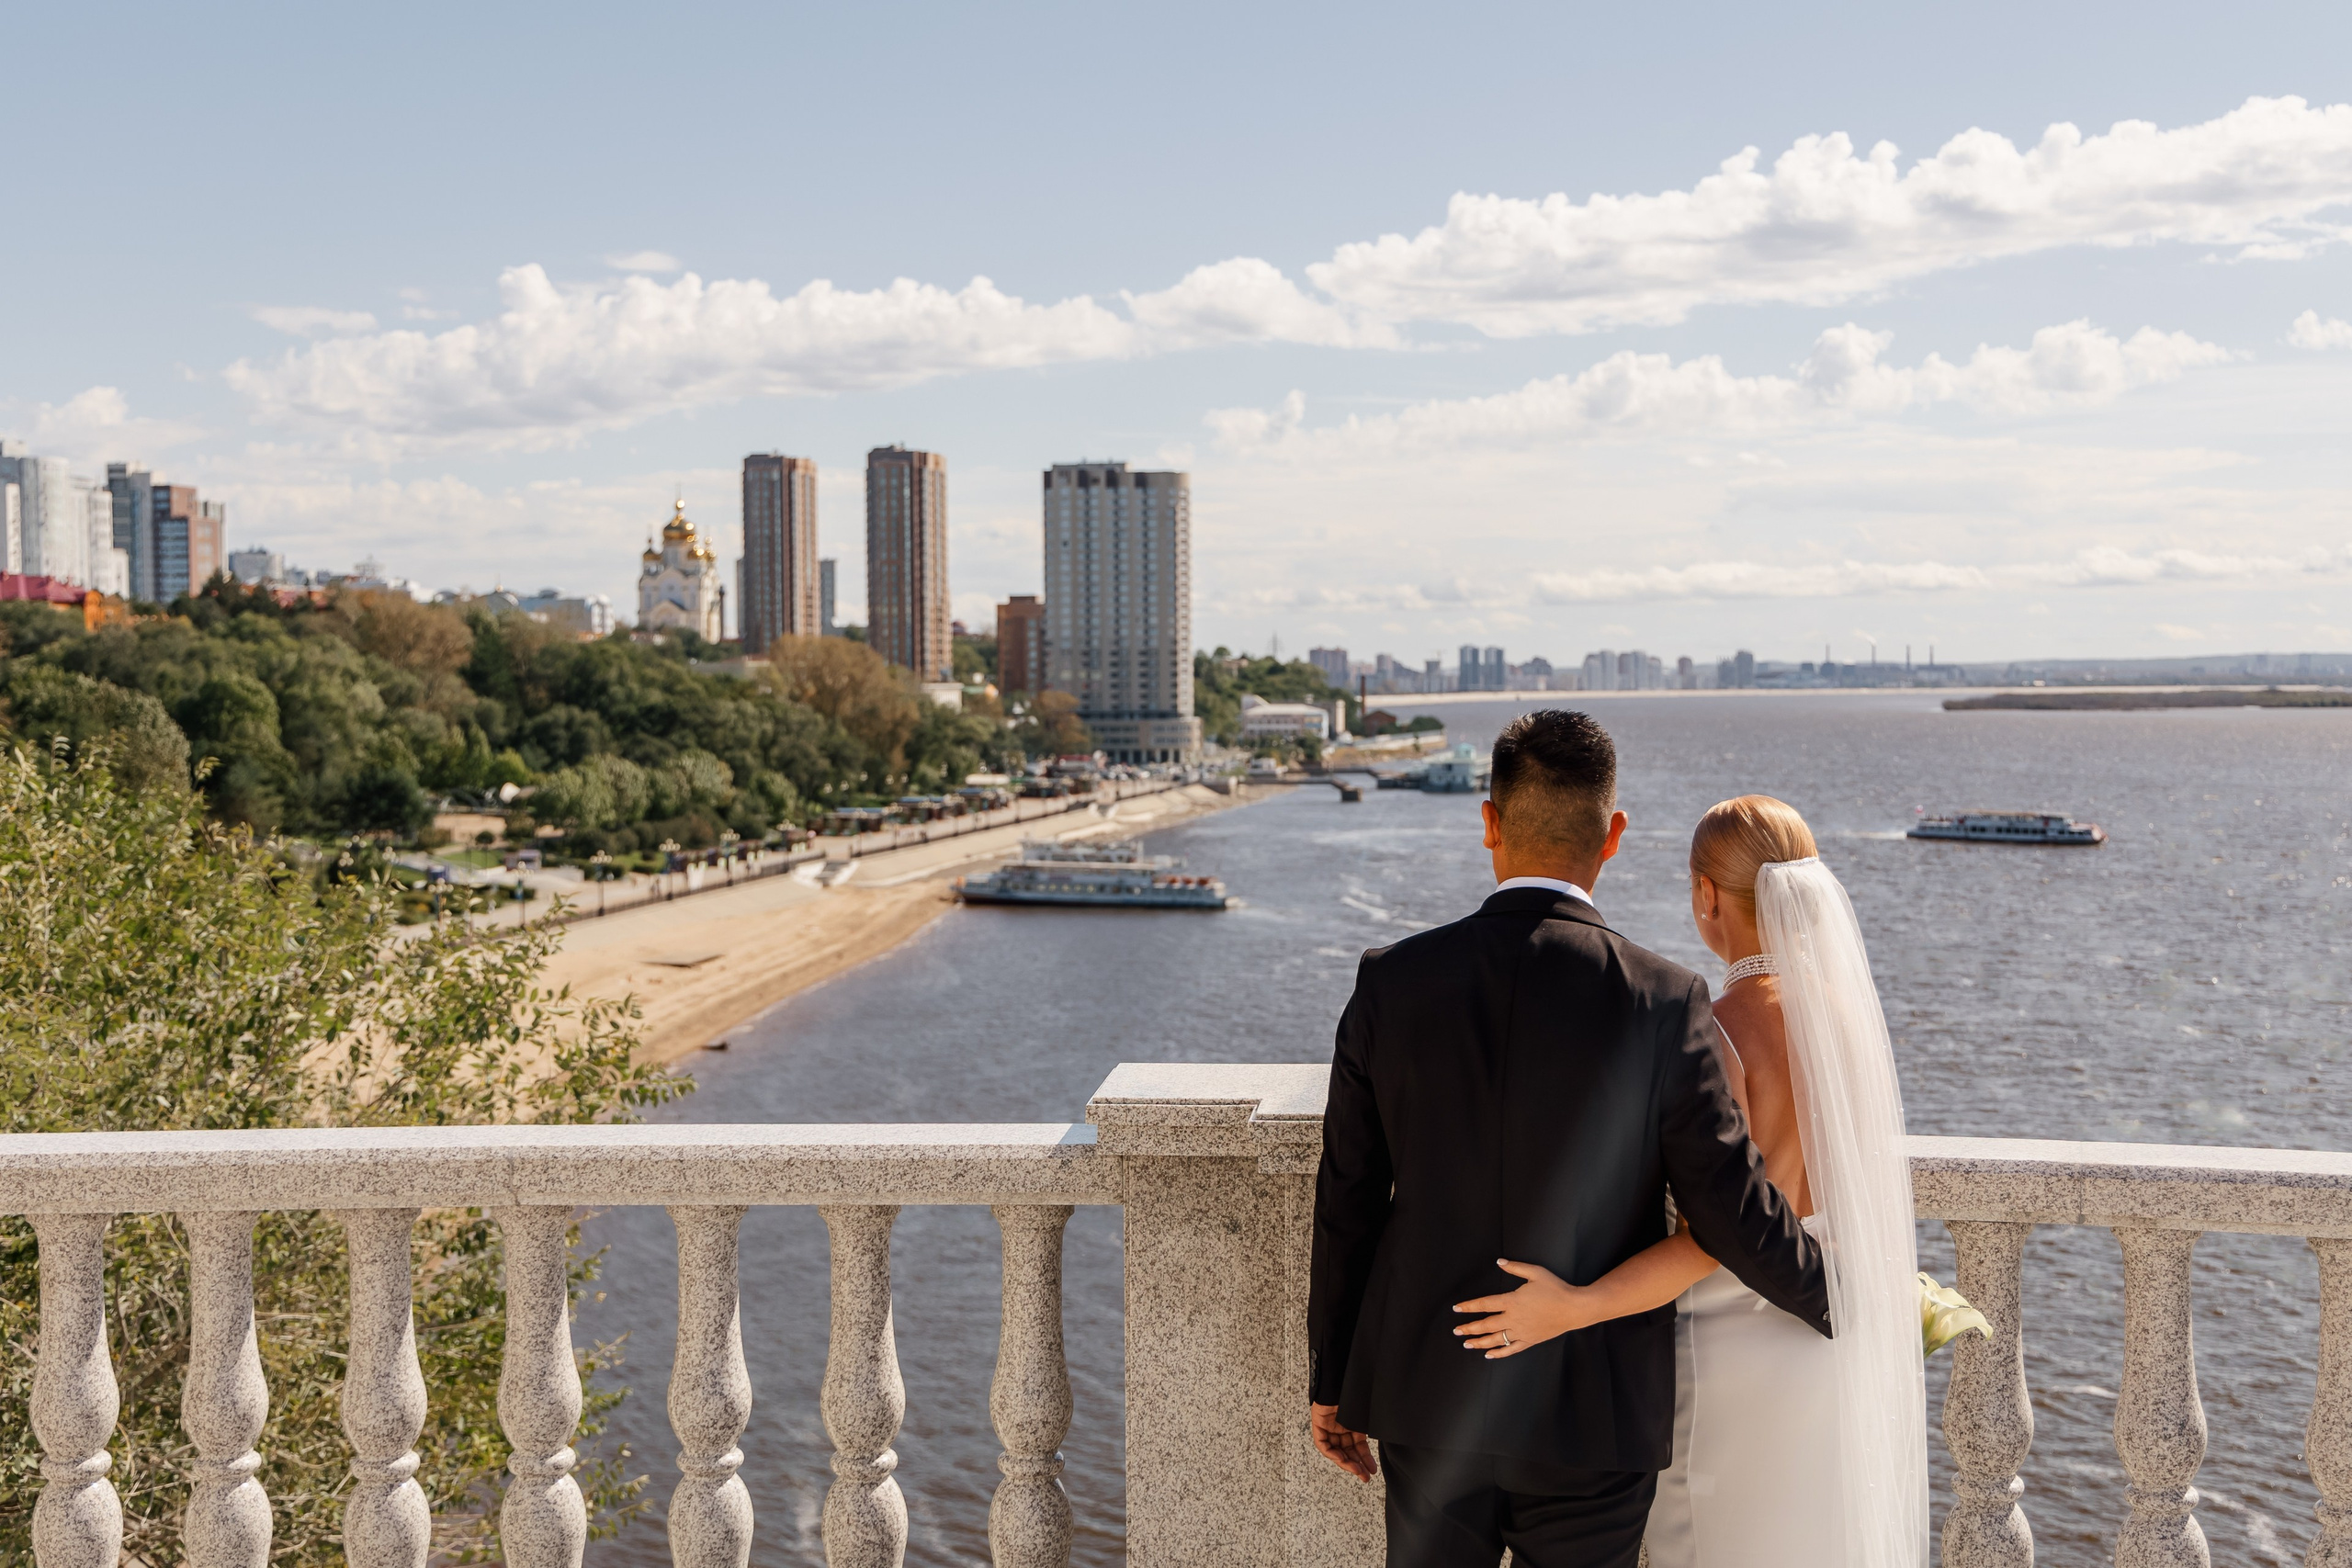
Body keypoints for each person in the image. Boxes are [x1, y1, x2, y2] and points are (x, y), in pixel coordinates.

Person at [1307, 713, 1829, 1568]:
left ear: (1490, 823)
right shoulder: (1666, 1000)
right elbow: (1732, 1209)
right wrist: (1841, 1301)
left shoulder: (1390, 982)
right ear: (1614, 834)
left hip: (1427, 1398)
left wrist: (1335, 1380)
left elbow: (1349, 1200)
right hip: (1595, 1415)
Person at [1446, 795, 1929, 1568]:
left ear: (1706, 896)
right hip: (1830, 1349)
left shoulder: (1717, 1027)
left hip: (1732, 1357)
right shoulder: (1851, 1021)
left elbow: (1718, 1234)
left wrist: (1577, 1305)